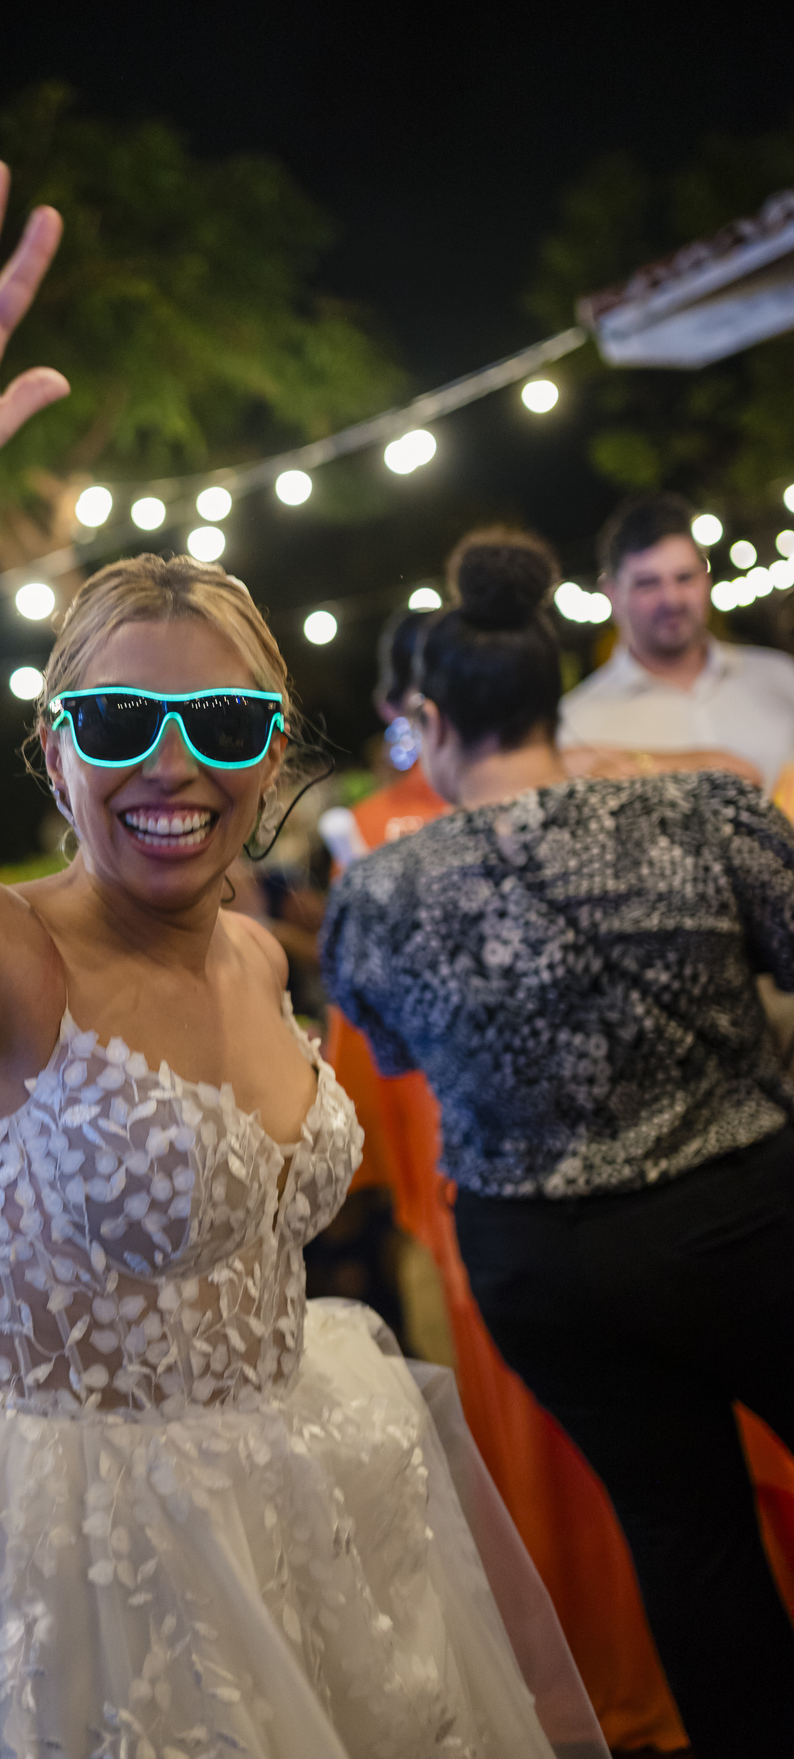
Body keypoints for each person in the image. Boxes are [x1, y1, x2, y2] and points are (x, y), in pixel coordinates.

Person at [0, 157, 607, 1759]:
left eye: (222, 722)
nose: (170, 763)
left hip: (320, 1517)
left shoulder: (252, 948)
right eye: (117, 720)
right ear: (53, 754)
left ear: (273, 751)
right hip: (91, 1594)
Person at [322, 527, 794, 1759]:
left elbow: (387, 1052)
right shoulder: (700, 811)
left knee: (684, 1535)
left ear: (429, 712)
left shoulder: (381, 890)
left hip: (544, 1265)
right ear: (553, 688)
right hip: (741, 1214)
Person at [559, 492, 794, 789]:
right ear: (613, 594)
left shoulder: (781, 678)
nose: (671, 599)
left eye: (684, 578)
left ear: (706, 580)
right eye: (648, 583)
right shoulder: (576, 724)